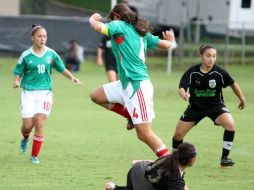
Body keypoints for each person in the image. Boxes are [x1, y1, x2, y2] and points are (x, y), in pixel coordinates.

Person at [89, 3, 174, 158]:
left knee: (144, 134)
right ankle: (130, 114)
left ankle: (172, 165)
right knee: (96, 95)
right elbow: (166, 45)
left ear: (116, 16)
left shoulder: (118, 24)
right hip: (125, 83)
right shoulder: (140, 32)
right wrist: (170, 40)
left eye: (111, 19)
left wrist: (92, 19)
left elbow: (98, 27)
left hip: (137, 85)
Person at [13, 24, 81, 164]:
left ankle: (34, 156)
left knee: (39, 120)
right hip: (28, 93)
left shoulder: (51, 54)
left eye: (44, 36)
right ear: (33, 38)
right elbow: (18, 72)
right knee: (27, 126)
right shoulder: (26, 55)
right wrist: (16, 81)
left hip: (45, 93)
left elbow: (61, 68)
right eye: (39, 36)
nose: (42, 39)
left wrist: (72, 77)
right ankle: (25, 138)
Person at [171, 44, 246, 167]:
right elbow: (182, 87)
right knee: (178, 135)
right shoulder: (192, 72)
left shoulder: (219, 73)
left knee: (230, 124)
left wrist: (242, 98)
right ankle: (173, 161)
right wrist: (184, 94)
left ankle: (225, 158)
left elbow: (233, 83)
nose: (211, 59)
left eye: (214, 56)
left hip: (215, 107)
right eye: (208, 56)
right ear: (201, 56)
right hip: (195, 108)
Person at [105, 142, 197, 190]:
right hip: (140, 178)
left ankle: (113, 188)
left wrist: (139, 162)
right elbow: (178, 185)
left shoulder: (171, 158)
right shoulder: (175, 179)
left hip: (139, 169)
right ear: (192, 160)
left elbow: (153, 162)